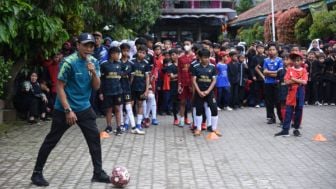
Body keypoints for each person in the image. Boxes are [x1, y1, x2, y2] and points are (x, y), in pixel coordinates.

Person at [31, 33, 110, 186]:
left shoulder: (94, 62)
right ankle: (36, 173)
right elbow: (59, 87)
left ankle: (98, 172)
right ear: (78, 45)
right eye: (86, 45)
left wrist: (93, 72)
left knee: (94, 139)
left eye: (91, 46)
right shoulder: (68, 62)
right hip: (64, 109)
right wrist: (68, 110)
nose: (88, 48)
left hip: (84, 108)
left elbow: (97, 86)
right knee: (51, 140)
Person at [275, 52, 308, 137]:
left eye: (298, 60)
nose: (296, 62)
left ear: (301, 61)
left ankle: (296, 129)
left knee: (299, 110)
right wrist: (297, 80)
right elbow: (286, 81)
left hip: (300, 92)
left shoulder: (304, 70)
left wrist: (293, 79)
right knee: (288, 110)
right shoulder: (290, 69)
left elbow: (304, 82)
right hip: (291, 91)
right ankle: (285, 130)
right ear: (292, 61)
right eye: (295, 60)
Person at [192, 48, 221, 137]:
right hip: (199, 92)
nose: (206, 59)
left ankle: (214, 128)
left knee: (214, 109)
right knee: (199, 110)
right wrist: (199, 91)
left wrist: (208, 91)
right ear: (200, 58)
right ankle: (198, 129)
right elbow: (193, 81)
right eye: (204, 57)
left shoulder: (212, 67)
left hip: (209, 92)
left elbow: (214, 80)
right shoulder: (195, 67)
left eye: (207, 57)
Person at [100, 47, 123, 136]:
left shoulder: (120, 64)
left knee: (117, 109)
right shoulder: (104, 65)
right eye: (117, 54)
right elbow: (101, 79)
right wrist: (101, 92)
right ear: (112, 54)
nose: (118, 56)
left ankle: (118, 127)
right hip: (107, 91)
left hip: (118, 91)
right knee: (108, 109)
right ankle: (109, 126)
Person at [130, 45, 150, 134]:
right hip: (132, 88)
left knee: (140, 104)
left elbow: (147, 78)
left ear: (146, 54)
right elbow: (129, 76)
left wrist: (146, 90)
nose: (141, 54)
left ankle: (138, 124)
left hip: (141, 88)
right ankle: (128, 124)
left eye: (143, 53)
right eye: (140, 52)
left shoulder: (146, 63)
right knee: (130, 105)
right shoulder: (131, 62)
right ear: (137, 52)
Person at [119, 43, 139, 132]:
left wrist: (129, 85)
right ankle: (121, 125)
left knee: (128, 106)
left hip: (127, 88)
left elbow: (131, 77)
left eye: (127, 51)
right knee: (119, 107)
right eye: (124, 50)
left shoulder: (131, 64)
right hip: (118, 88)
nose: (125, 52)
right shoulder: (117, 62)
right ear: (121, 51)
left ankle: (134, 127)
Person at [263, 43, 283, 124]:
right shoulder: (265, 60)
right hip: (268, 83)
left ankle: (282, 118)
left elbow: (279, 73)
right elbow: (264, 72)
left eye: (273, 49)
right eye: (270, 50)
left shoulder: (280, 60)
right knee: (269, 101)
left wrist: (269, 72)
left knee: (278, 101)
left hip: (277, 83)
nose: (271, 51)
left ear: (277, 51)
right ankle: (271, 117)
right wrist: (274, 72)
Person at [177, 38, 194, 127]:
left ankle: (194, 121)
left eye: (188, 44)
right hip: (183, 83)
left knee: (192, 102)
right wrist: (179, 84)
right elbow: (179, 71)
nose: (186, 46)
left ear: (191, 45)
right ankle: (182, 120)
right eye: (184, 44)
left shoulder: (194, 57)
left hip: (192, 84)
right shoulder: (180, 58)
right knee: (182, 102)